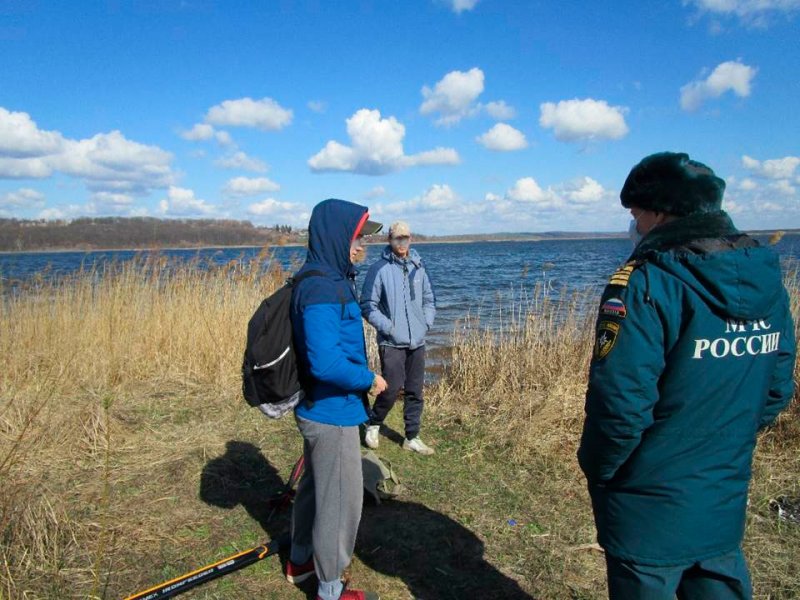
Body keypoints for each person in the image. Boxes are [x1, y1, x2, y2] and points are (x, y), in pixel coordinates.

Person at [578, 152, 796, 600]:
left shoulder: (645, 282)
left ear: (659, 212)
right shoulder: (767, 279)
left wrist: (602, 471)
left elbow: (619, 404)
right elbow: (776, 387)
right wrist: (725, 443)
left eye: (636, 213)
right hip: (722, 490)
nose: (633, 223)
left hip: (647, 503)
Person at [286, 198, 387, 600]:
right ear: (336, 235)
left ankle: (300, 559)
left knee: (317, 487)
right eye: (357, 235)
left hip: (321, 407)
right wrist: (368, 378)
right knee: (340, 504)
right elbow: (326, 363)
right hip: (332, 412)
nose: (362, 244)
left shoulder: (323, 278)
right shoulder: (322, 287)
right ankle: (331, 590)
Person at [360, 221, 436, 455]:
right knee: (391, 389)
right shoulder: (379, 269)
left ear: (410, 239)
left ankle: (412, 436)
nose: (401, 242)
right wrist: (389, 328)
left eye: (405, 237)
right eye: (397, 238)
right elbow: (367, 305)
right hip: (391, 342)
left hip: (417, 342)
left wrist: (425, 324)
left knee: (415, 390)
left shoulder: (419, 267)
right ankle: (374, 423)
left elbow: (429, 299)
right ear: (389, 240)